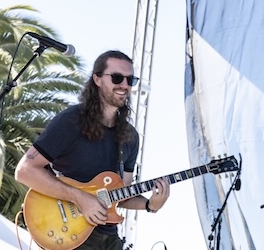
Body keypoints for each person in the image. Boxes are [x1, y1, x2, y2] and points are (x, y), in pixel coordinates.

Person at [15, 50, 170, 249]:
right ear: (97, 79)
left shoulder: (130, 137)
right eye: (116, 78)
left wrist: (150, 205)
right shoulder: (71, 120)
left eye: (130, 80)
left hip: (108, 235)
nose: (124, 85)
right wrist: (80, 198)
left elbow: (120, 195)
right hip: (69, 232)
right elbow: (25, 171)